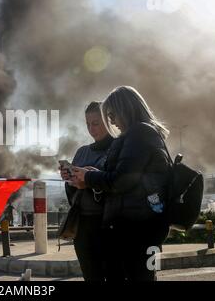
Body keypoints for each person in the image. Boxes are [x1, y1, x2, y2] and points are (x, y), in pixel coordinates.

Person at [71, 86, 171, 281]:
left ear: (124, 110)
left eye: (111, 115)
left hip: (138, 230)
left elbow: (122, 180)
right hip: (141, 228)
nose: (112, 121)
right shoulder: (142, 133)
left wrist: (88, 178)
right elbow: (125, 176)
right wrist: (94, 175)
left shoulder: (139, 133)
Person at [59, 101, 114, 282]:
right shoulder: (82, 152)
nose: (91, 129)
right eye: (88, 124)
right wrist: (69, 178)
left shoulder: (119, 148)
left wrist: (91, 180)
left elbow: (120, 186)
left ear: (108, 120)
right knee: (91, 277)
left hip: (109, 227)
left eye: (96, 123)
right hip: (83, 226)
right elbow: (72, 196)